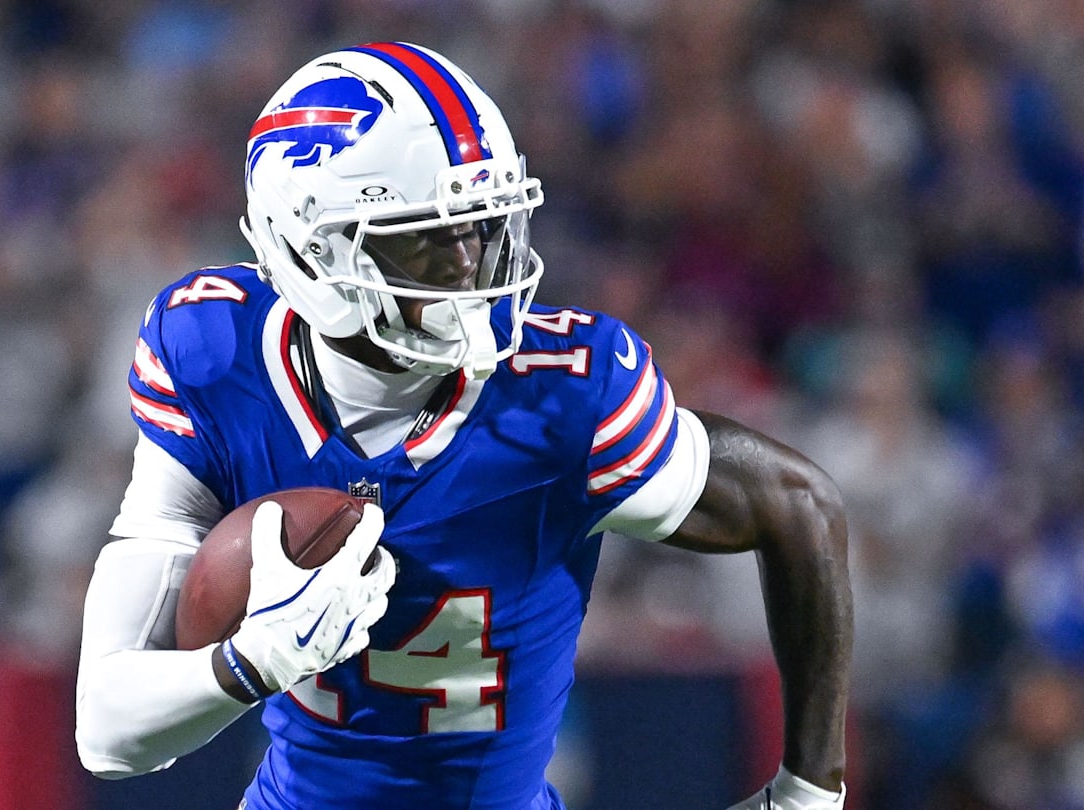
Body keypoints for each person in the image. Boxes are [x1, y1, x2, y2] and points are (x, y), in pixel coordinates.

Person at [75, 41, 852, 809]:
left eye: (480, 227)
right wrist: (252, 662)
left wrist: (809, 792)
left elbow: (800, 503)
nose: (471, 266)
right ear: (312, 254)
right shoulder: (216, 357)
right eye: (424, 239)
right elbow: (106, 735)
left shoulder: (562, 401)